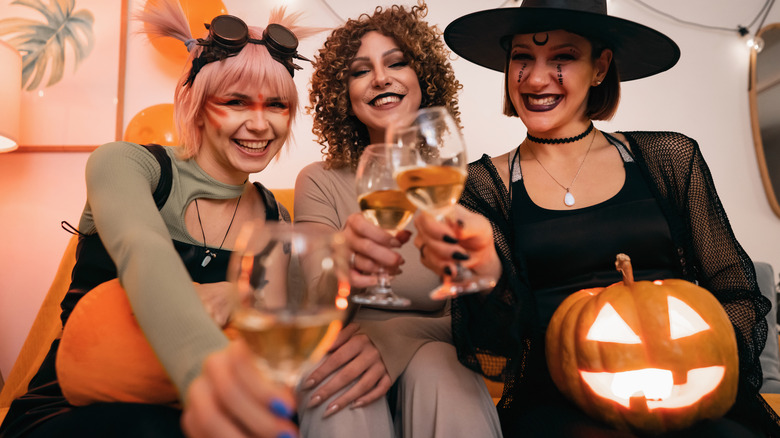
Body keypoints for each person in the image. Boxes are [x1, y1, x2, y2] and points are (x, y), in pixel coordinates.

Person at [411, 0, 780, 436]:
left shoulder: (669, 159)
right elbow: (494, 354)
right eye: (522, 58)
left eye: (562, 57)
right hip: (557, 403)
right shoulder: (483, 186)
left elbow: (738, 295)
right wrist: (489, 279)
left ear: (601, 67)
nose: (536, 77)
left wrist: (694, 360)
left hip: (686, 394)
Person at [0, 1, 316, 437]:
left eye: (277, 105)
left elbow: (284, 316)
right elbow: (142, 249)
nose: (259, 124)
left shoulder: (276, 217)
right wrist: (211, 374)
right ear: (200, 104)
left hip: (195, 412)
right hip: (73, 406)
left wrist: (240, 296)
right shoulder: (126, 164)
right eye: (236, 101)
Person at [293, 2, 503, 437]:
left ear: (422, 79)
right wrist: (342, 269)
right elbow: (315, 312)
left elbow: (479, 315)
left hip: (437, 355)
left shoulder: (459, 179)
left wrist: (401, 335)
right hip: (342, 353)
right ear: (343, 96)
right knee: (339, 377)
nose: (381, 78)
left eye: (396, 63)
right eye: (359, 71)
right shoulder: (318, 181)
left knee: (441, 366)